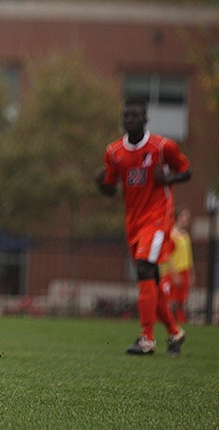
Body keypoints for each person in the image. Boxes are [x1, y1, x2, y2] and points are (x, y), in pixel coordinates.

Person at [95, 99, 190, 356]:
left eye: (135, 116)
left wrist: (167, 178)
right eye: (126, 115)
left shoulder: (162, 147)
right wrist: (101, 184)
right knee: (151, 280)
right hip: (133, 222)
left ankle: (147, 338)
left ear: (145, 118)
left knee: (145, 268)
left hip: (158, 219)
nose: (129, 119)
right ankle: (174, 331)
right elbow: (111, 189)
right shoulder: (114, 152)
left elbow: (186, 171)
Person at [161, 207, 193, 325]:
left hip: (184, 271)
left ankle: (181, 323)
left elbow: (189, 256)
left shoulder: (186, 235)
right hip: (172, 273)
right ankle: (167, 324)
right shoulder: (172, 234)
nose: (187, 219)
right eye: (184, 216)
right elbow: (166, 256)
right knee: (170, 301)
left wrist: (191, 273)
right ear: (178, 217)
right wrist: (174, 274)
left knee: (182, 302)